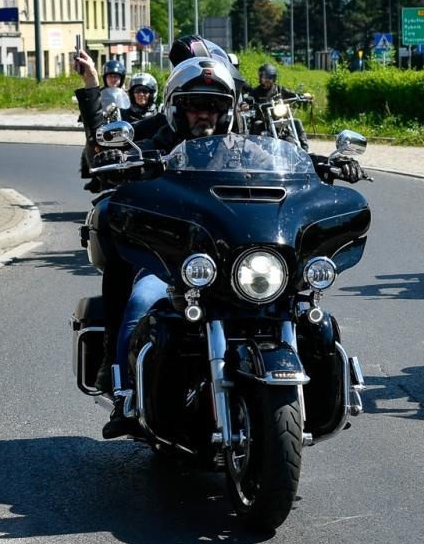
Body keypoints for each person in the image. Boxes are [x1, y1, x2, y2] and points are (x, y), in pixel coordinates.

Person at [91, 56, 361, 437]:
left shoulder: (244, 149)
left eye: (215, 107)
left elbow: (288, 169)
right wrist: (119, 160)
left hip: (239, 264)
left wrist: (325, 168)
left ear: (229, 111)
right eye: (195, 106)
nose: (205, 115)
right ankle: (123, 388)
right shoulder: (152, 147)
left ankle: (327, 395)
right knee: (141, 299)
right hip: (178, 264)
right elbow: (121, 169)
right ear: (175, 108)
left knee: (302, 308)